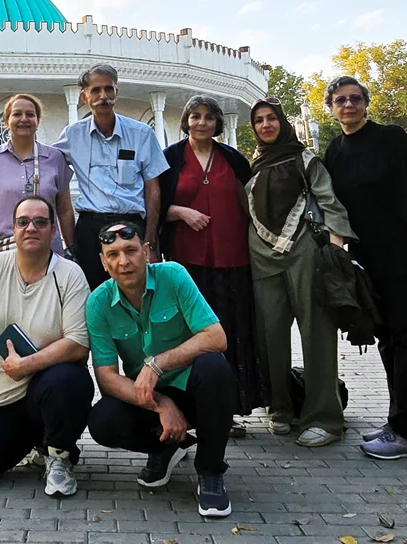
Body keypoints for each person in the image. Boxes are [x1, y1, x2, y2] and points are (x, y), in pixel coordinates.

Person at [0, 196, 93, 496]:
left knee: (69, 379)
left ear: (53, 230)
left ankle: (59, 455)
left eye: (40, 222)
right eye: (23, 222)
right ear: (13, 229)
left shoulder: (70, 275)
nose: (31, 228)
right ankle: (36, 438)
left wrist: (26, 365)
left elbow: (78, 344)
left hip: (45, 390)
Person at [86, 221, 235, 518]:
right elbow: (106, 376)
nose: (123, 261)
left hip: (193, 387)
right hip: (147, 397)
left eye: (130, 250)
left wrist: (158, 363)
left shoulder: (174, 275)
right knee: (103, 421)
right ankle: (167, 446)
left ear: (146, 252)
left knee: (214, 367)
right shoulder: (97, 303)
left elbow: (216, 337)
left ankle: (210, 471)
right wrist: (161, 405)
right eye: (112, 254)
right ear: (103, 262)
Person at [323, 76, 407, 459]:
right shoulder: (335, 150)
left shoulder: (392, 139)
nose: (348, 105)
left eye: (355, 98)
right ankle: (397, 423)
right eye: (340, 100)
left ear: (366, 103)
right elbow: (332, 208)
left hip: (404, 260)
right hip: (367, 265)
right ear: (331, 107)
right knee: (389, 339)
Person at [247, 98, 354, 448]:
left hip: (305, 252)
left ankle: (324, 418)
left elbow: (329, 201)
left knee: (317, 333)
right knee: (270, 336)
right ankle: (280, 409)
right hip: (263, 259)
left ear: (282, 122)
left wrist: (336, 247)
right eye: (259, 120)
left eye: (271, 119)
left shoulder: (305, 159)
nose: (266, 125)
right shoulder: (256, 162)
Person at [159, 96, 268, 432]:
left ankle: (226, 411)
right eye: (195, 116)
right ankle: (188, 410)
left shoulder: (233, 158)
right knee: (189, 335)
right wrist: (179, 212)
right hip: (187, 263)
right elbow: (153, 204)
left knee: (230, 332)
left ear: (218, 123)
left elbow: (253, 202)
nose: (201, 123)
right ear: (185, 121)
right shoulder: (171, 158)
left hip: (232, 259)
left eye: (208, 117)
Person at [53, 63, 169, 289]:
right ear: (84, 97)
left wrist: (150, 240)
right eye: (95, 90)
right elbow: (46, 161)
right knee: (93, 295)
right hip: (90, 229)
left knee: (135, 292)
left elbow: (153, 189)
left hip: (131, 226)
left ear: (117, 92)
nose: (103, 96)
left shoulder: (141, 134)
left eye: (109, 89)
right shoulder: (73, 135)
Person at [0, 94, 76, 259]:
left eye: (30, 114)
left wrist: (72, 249)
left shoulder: (55, 158)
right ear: (6, 121)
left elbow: (64, 210)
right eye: (17, 114)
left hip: (46, 253)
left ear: (37, 121)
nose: (24, 119)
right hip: (3, 253)